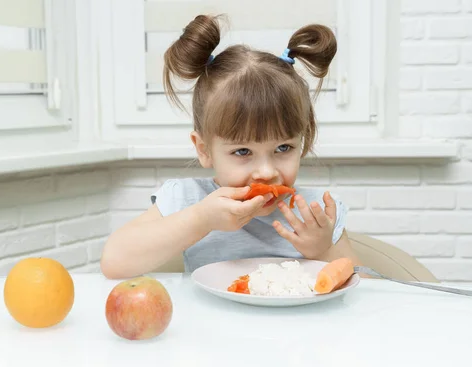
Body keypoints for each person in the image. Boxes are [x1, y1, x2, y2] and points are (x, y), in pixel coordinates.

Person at [101, 14, 361, 279]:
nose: (266, 172)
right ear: (204, 150)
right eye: (242, 152)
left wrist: (323, 251)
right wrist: (200, 219)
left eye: (283, 148)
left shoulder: (316, 212)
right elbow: (114, 262)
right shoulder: (188, 199)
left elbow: (366, 288)